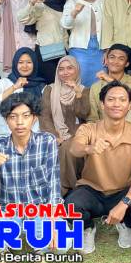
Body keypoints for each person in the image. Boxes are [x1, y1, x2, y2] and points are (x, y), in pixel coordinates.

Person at [0, 92, 65, 259]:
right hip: (9, 212)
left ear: (34, 118)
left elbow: (54, 185)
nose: (19, 122)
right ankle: (7, 239)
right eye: (13, 117)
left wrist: (54, 225)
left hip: (40, 212)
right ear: (6, 120)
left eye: (25, 116)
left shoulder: (47, 141)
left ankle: (30, 241)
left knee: (62, 245)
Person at [67, 81, 131, 253]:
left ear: (129, 105)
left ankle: (125, 223)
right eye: (111, 99)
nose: (116, 104)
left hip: (122, 191)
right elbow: (74, 148)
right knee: (71, 206)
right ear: (102, 104)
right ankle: (88, 228)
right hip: (92, 191)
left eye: (122, 100)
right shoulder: (89, 129)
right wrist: (89, 148)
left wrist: (124, 204)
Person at [39, 56, 90, 196]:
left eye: (69, 68)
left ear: (77, 70)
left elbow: (84, 114)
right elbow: (44, 117)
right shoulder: (49, 89)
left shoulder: (85, 90)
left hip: (78, 134)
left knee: (68, 148)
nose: (65, 72)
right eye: (61, 69)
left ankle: (66, 189)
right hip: (55, 133)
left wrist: (78, 93)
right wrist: (54, 136)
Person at [19, 0, 69, 80]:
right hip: (46, 52)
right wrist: (32, 2)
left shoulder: (69, 7)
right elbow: (22, 18)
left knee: (64, 84)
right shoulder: (42, 6)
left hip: (64, 52)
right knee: (51, 84)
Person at [0, 47, 44, 139]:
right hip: (4, 136)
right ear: (15, 63)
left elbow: (43, 115)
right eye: (20, 62)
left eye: (29, 62)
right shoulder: (4, 83)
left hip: (32, 137)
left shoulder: (41, 86)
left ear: (35, 64)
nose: (25, 66)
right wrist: (14, 87)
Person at [61, 0, 105, 86]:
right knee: (80, 81)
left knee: (100, 82)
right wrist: (74, 13)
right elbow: (65, 24)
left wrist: (108, 49)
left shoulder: (102, 3)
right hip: (79, 49)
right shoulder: (72, 3)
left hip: (100, 49)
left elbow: (110, 27)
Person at [88, 44, 131, 122]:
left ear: (127, 64)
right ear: (106, 60)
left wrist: (110, 80)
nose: (115, 61)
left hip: (130, 127)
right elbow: (92, 119)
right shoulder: (95, 87)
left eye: (121, 59)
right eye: (112, 57)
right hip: (104, 128)